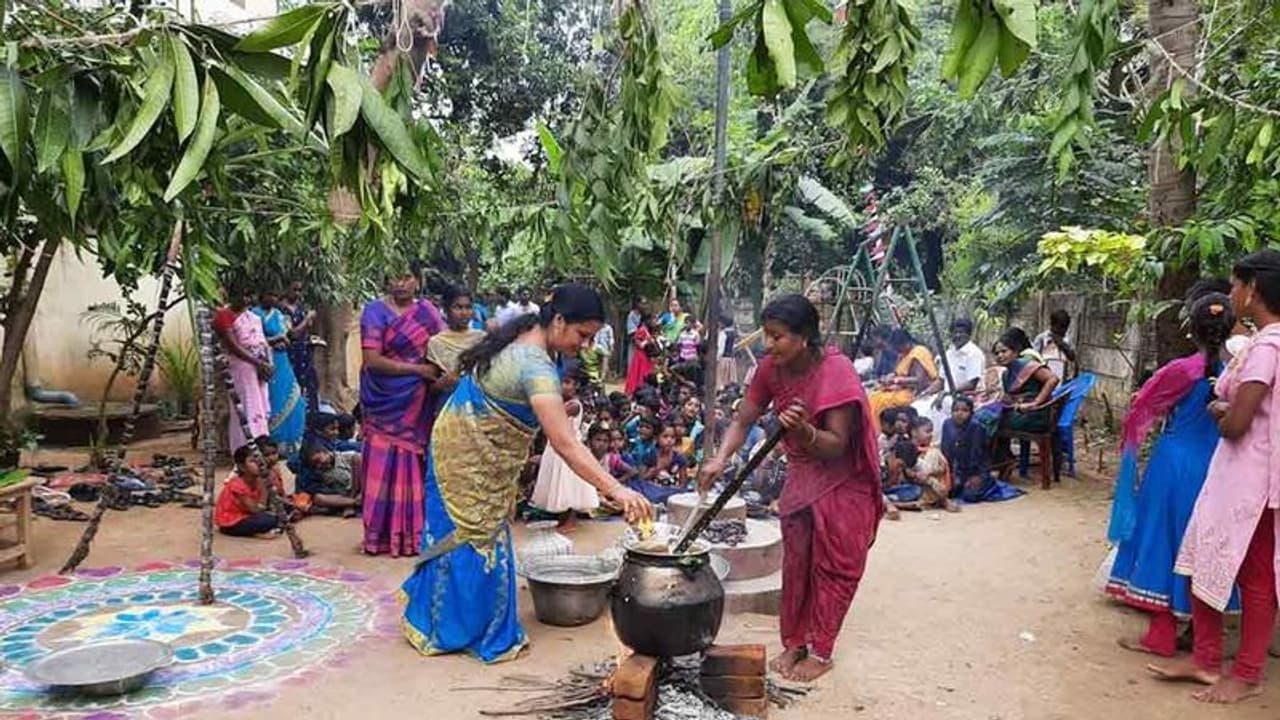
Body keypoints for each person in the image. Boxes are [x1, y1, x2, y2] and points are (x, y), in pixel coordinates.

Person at [401, 284, 651, 664]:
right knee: (472, 534)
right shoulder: (535, 365)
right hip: (466, 456)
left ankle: (453, 620)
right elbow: (566, 444)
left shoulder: (524, 336)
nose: (585, 347)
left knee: (481, 532)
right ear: (560, 321)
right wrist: (619, 491)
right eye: (582, 335)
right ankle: (454, 630)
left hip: (460, 440)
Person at [699, 294, 882, 682]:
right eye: (766, 335)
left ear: (804, 337)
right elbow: (744, 419)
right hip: (803, 475)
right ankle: (795, 641)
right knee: (797, 565)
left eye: (777, 336)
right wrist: (720, 458)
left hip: (843, 480)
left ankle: (822, 649)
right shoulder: (770, 368)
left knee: (834, 566)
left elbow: (836, 444)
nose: (769, 345)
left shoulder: (836, 370)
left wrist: (803, 431)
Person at [1154, 250, 1280, 703]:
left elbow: (1237, 423)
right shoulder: (1262, 342)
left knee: (1255, 577)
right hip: (1233, 476)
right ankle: (1205, 659)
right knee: (1199, 557)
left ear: (1254, 290)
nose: (1231, 294)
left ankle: (1245, 673)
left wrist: (1221, 410)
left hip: (1254, 481)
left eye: (1235, 285)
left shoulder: (1267, 347)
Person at [1105, 293, 1236, 658]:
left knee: (1163, 542)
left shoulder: (1182, 370)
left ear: (1191, 329)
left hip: (1173, 466)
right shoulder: (1239, 370)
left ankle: (1161, 635)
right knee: (1203, 546)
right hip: (1217, 468)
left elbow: (1142, 406)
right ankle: (1199, 632)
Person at [358, 272, 446, 557]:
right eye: (394, 277)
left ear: (417, 281)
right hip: (382, 399)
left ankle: (410, 535)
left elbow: (443, 348)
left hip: (416, 401)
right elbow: (372, 360)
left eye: (407, 277)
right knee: (381, 462)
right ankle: (379, 535)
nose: (401, 283)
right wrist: (417, 370)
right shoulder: (373, 312)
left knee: (411, 463)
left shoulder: (428, 313)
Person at [530, 363, 599, 531]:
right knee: (558, 483)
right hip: (556, 445)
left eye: (567, 382)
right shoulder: (563, 402)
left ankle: (570, 520)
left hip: (568, 447)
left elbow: (553, 416)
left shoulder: (573, 405)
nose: (562, 386)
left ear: (576, 385)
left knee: (568, 484)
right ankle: (562, 519)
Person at [974, 329, 1061, 452]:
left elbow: (1053, 379)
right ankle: (998, 458)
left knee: (987, 420)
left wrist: (1035, 402)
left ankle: (989, 458)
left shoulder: (1028, 365)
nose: (1000, 355)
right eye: (997, 353)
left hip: (1035, 414)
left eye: (1004, 351)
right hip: (1019, 412)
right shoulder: (1006, 374)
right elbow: (1011, 398)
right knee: (980, 415)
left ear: (1015, 352)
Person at [214, 284, 272, 454]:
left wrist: (266, 363)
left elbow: (261, 341)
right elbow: (233, 346)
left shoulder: (252, 317)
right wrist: (257, 362)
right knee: (246, 407)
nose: (246, 300)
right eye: (242, 296)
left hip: (258, 366)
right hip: (241, 367)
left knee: (260, 406)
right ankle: (244, 451)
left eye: (249, 296)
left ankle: (262, 446)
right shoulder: (224, 315)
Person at [252, 291, 307, 456]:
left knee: (294, 398)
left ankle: (293, 443)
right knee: (273, 399)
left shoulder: (278, 315)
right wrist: (275, 341)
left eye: (276, 296)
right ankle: (274, 443)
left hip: (283, 360)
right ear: (262, 296)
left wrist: (285, 340)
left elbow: (290, 335)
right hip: (266, 361)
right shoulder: (254, 315)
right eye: (270, 295)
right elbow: (254, 341)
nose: (274, 299)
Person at [913, 318, 987, 435]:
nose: (957, 335)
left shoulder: (974, 354)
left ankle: (939, 441)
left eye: (961, 332)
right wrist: (925, 392)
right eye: (955, 332)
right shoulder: (948, 353)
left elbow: (972, 383)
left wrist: (947, 392)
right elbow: (941, 380)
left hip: (966, 396)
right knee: (917, 405)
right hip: (945, 394)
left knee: (940, 406)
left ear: (968, 334)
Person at [868, 328, 939, 432]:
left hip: (912, 392)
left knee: (881, 401)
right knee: (873, 396)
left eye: (898, 347)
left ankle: (878, 431)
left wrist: (897, 381)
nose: (897, 351)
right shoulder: (904, 354)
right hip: (901, 388)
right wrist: (889, 378)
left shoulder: (918, 353)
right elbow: (898, 372)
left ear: (906, 343)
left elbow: (919, 380)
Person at [887, 417, 958, 513]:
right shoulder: (904, 448)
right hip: (910, 487)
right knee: (910, 491)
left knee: (934, 453)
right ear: (914, 432)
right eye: (927, 431)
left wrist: (927, 473)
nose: (931, 435)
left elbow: (941, 469)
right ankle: (941, 500)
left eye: (931, 432)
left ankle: (935, 500)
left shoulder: (932, 451)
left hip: (924, 486)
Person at [426, 285, 485, 392]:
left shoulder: (481, 338)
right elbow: (430, 387)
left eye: (468, 307)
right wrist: (443, 383)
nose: (464, 313)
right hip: (449, 401)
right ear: (446, 310)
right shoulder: (437, 342)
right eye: (457, 307)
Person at [215, 445, 281, 537]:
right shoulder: (237, 485)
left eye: (259, 460)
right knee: (270, 520)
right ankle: (258, 532)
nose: (258, 464)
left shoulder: (258, 480)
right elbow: (256, 510)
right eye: (252, 461)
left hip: (248, 515)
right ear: (242, 467)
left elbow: (277, 497)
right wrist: (264, 488)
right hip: (232, 522)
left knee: (285, 509)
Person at [281, 280, 320, 412]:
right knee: (292, 390)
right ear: (286, 290)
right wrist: (307, 318)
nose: (297, 294)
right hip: (291, 356)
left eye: (299, 290)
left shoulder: (300, 307)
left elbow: (305, 330)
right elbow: (293, 334)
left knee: (310, 387)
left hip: (304, 355)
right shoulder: (282, 310)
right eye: (294, 290)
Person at [300, 442, 363, 516]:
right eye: (315, 465)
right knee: (318, 498)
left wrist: (360, 491)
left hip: (360, 489)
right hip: (344, 496)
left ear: (325, 452)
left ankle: (352, 503)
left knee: (357, 459)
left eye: (318, 460)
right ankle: (353, 502)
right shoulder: (322, 473)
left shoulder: (346, 456)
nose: (319, 465)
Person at [1033, 310, 1078, 379]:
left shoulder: (1067, 340)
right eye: (1060, 327)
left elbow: (1072, 358)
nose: (1063, 330)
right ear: (1052, 324)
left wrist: (1062, 344)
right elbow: (1034, 360)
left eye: (1065, 327)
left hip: (1063, 380)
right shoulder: (1042, 339)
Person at [625, 312, 659, 395]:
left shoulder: (649, 331)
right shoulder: (642, 330)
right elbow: (640, 345)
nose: (655, 321)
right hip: (641, 357)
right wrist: (647, 341)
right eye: (653, 319)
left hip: (646, 357)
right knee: (641, 376)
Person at [716, 313, 740, 389]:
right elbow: (734, 347)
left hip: (723, 360)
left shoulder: (723, 334)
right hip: (731, 360)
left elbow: (720, 349)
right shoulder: (733, 333)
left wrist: (716, 359)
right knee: (729, 381)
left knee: (721, 380)